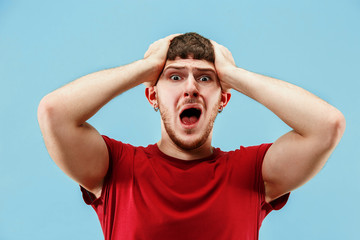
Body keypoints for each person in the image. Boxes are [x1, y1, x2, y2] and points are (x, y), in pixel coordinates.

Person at [38, 32, 345, 240]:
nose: (190, 88)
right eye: (174, 76)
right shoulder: (116, 168)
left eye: (204, 77)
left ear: (223, 99)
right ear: (152, 96)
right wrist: (146, 66)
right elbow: (54, 113)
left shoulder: (251, 173)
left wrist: (233, 75)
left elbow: (327, 125)